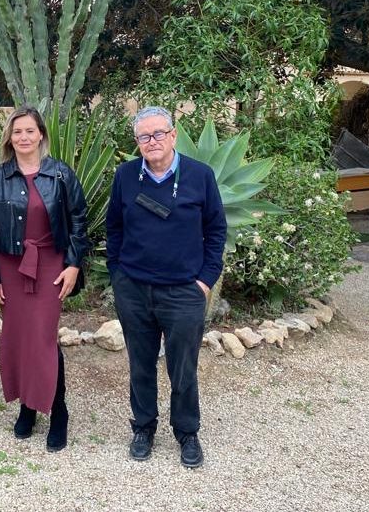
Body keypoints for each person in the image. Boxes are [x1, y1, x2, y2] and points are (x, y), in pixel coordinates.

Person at [106, 106, 226, 468]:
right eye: (144, 136)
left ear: (173, 135)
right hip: (135, 290)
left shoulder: (199, 176)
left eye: (159, 133)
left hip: (183, 293)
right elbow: (114, 228)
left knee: (183, 367)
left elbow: (216, 230)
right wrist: (118, 274)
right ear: (137, 142)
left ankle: (187, 432)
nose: (152, 141)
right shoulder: (126, 176)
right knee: (141, 364)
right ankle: (143, 427)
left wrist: (204, 281)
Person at [0, 106, 88, 452]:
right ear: (9, 139)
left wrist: (72, 264)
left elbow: (78, 220)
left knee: (42, 338)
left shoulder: (60, 174)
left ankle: (58, 411)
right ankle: (28, 408)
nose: (23, 137)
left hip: (50, 265)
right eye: (17, 132)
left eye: (30, 131)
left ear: (41, 134)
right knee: (18, 338)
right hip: (11, 267)